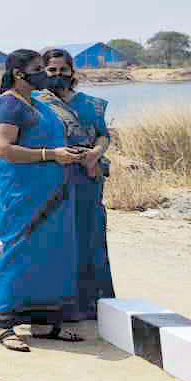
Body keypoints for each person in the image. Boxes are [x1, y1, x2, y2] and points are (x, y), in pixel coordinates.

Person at [0, 49, 86, 351]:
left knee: (50, 252)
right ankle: (4, 325)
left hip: (51, 190)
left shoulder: (39, 104)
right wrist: (50, 155)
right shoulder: (8, 105)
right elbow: (3, 150)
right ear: (19, 73)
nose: (45, 73)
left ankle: (44, 322)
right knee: (19, 252)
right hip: (23, 193)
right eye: (39, 69)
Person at [38, 48, 116, 320]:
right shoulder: (36, 102)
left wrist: (95, 155)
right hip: (53, 177)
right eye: (52, 70)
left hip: (89, 175)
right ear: (43, 72)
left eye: (63, 69)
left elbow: (104, 135)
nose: (58, 75)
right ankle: (61, 305)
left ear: (72, 71)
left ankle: (95, 304)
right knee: (58, 238)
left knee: (90, 234)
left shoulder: (90, 104)